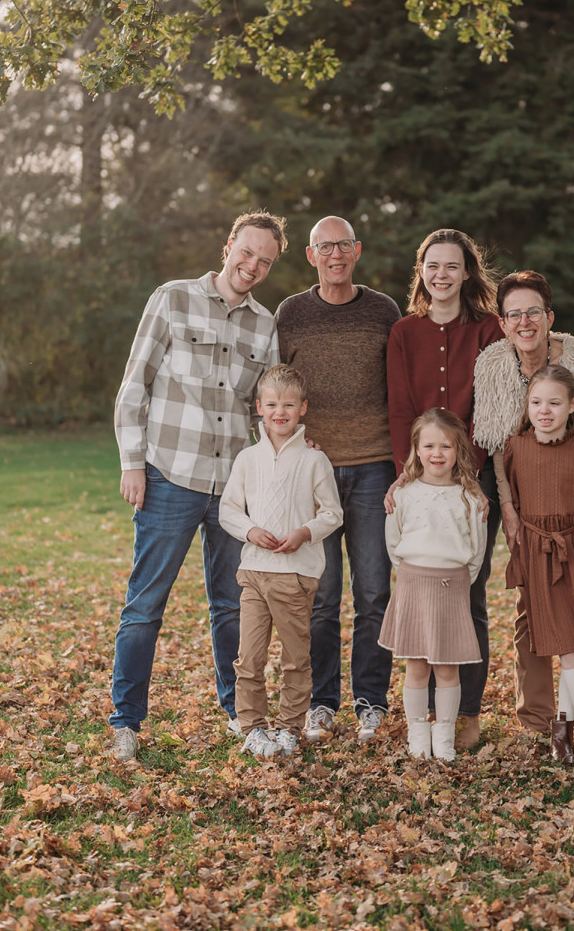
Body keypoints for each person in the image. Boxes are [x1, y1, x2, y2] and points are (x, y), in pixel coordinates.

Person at [110, 210, 288, 762]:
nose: (252, 266)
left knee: (233, 606)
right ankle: (126, 722)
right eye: (247, 252)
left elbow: (268, 412)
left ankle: (238, 712)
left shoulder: (265, 326)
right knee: (145, 604)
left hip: (234, 488)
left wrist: (271, 484)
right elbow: (134, 384)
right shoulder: (172, 297)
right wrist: (132, 463)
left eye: (265, 260)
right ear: (229, 244)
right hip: (170, 476)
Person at [473, 270, 574, 747]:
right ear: (502, 322)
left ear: (549, 316)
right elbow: (497, 445)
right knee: (532, 612)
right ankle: (540, 725)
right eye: (514, 313)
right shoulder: (492, 365)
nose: (525, 321)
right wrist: (510, 509)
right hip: (526, 506)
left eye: (533, 311)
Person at [275, 216, 401, 742]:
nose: (335, 254)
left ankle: (371, 700)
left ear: (357, 251)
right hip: (315, 475)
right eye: (325, 246)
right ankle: (321, 703)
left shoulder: (383, 311)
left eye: (343, 245)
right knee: (321, 598)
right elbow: (274, 389)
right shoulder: (291, 313)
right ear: (310, 255)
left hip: (374, 467)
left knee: (373, 593)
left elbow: (401, 387)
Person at [385, 228, 502, 747]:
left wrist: (466, 478)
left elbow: (492, 409)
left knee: (468, 592)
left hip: (474, 482)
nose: (442, 275)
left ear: (466, 273)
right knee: (418, 592)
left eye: (452, 266)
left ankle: (465, 713)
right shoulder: (403, 333)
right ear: (422, 271)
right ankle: (423, 716)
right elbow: (399, 410)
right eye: (433, 266)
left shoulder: (489, 331)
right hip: (417, 480)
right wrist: (409, 475)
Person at [219, 365, 343, 759]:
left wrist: (304, 532)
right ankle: (253, 727)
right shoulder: (247, 459)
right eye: (272, 404)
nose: (280, 412)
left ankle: (290, 727)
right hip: (255, 572)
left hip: (295, 574)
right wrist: (250, 531)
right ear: (259, 407)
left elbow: (332, 513)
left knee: (294, 658)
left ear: (303, 408)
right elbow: (228, 509)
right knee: (249, 659)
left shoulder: (313, 461)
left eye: (288, 404)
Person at [504, 365, 574, 770]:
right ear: (527, 406)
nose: (545, 411)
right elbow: (512, 507)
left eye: (554, 403)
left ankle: (561, 735)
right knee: (569, 649)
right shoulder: (514, 449)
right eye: (536, 402)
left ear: (571, 406)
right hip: (540, 557)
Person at [379, 409, 486, 762]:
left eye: (445, 446)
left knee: (447, 667)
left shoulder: (469, 497)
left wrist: (457, 580)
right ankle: (417, 732)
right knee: (417, 667)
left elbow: (477, 550)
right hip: (413, 582)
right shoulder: (404, 494)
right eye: (429, 445)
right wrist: (412, 575)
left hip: (453, 587)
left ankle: (444, 735)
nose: (437, 453)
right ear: (417, 449)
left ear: (458, 452)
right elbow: (394, 543)